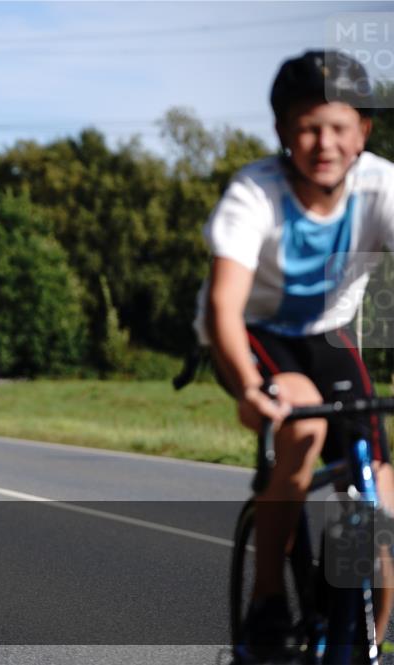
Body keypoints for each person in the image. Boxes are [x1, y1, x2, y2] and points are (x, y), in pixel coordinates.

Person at [194, 50, 394, 659]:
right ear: (282, 131)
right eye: (308, 126)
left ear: (364, 131)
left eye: (339, 126)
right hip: (254, 329)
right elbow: (224, 306)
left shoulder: (380, 185)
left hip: (329, 333)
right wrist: (251, 389)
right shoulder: (256, 192)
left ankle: (365, 642)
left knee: (380, 499)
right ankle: (267, 600)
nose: (324, 143)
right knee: (302, 429)